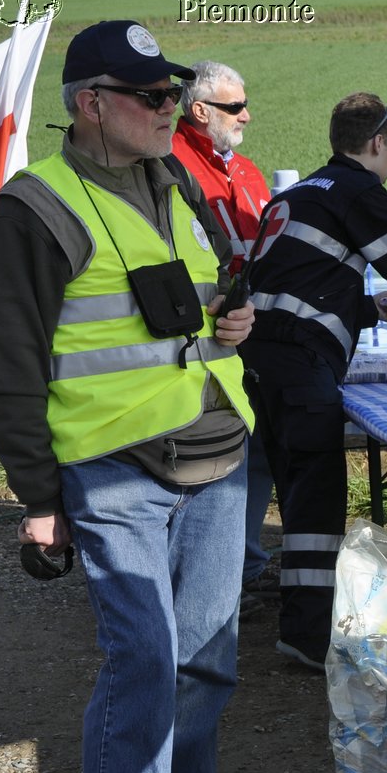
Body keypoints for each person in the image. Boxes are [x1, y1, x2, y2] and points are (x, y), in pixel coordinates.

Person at [0, 20, 257, 773]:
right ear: (92, 105)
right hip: (115, 469)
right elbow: (12, 367)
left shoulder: (171, 176)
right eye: (151, 96)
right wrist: (40, 498)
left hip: (216, 453)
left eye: (172, 94)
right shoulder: (34, 207)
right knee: (145, 660)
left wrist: (230, 320)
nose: (171, 108)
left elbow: (189, 300)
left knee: (206, 661)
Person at [242, 92, 387, 669]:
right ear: (378, 143)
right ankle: (310, 637)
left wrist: (369, 309)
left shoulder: (297, 193)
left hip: (261, 359)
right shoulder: (358, 189)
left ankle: (300, 620)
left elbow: (300, 285)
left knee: (294, 494)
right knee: (317, 502)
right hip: (299, 364)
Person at [169, 59, 276, 618]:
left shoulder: (247, 169)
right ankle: (199, 583)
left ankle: (243, 563)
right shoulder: (172, 164)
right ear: (200, 109)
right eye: (236, 107)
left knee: (253, 452)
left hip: (253, 327)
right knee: (211, 458)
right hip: (202, 339)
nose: (247, 116)